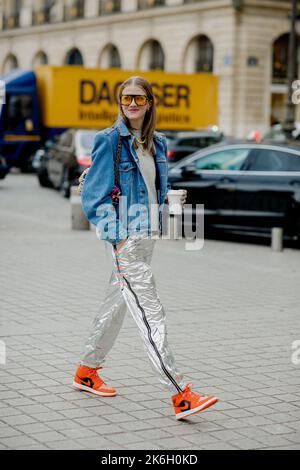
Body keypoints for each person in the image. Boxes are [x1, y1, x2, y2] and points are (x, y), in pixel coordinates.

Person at [73, 76, 218, 420]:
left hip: (147, 233)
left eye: (139, 98)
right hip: (125, 238)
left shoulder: (158, 142)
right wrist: (117, 235)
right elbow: (93, 196)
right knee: (150, 311)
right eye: (126, 99)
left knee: (117, 307)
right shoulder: (109, 141)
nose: (132, 104)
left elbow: (153, 185)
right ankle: (181, 393)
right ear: (120, 103)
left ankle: (86, 372)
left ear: (150, 102)